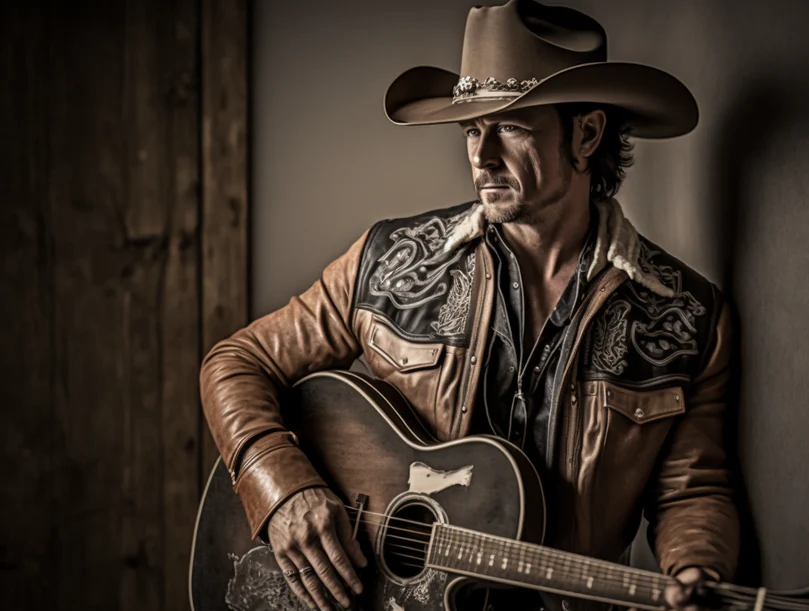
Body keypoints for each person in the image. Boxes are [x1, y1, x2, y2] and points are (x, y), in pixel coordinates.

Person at [199, 1, 740, 609]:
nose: (481, 157)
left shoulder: (687, 317)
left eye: (510, 126)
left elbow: (692, 490)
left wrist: (697, 569)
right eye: (472, 130)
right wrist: (281, 488)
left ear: (587, 134)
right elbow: (236, 360)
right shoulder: (390, 261)